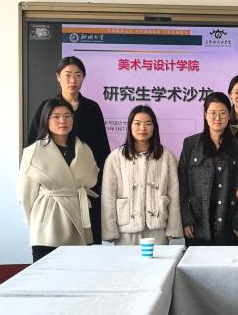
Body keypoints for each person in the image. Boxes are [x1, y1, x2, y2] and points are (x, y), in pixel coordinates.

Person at [26, 56, 110, 244]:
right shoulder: (47, 107)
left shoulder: (92, 108)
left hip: (85, 191)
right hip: (54, 193)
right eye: (68, 75)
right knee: (53, 246)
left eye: (78, 75)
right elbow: (32, 148)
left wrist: (99, 184)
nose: (73, 80)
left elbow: (102, 149)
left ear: (83, 77)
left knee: (87, 247)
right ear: (58, 76)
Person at [17, 98, 99, 262]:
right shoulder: (33, 151)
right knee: (46, 271)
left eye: (68, 116)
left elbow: (91, 180)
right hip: (47, 222)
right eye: (56, 116)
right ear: (46, 120)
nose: (63, 121)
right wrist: (35, 220)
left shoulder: (84, 149)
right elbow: (25, 194)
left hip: (78, 216)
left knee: (78, 270)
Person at [178, 92, 238, 246]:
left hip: (228, 222)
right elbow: (182, 185)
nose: (217, 118)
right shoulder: (191, 144)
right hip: (197, 223)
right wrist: (186, 219)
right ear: (205, 115)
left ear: (229, 115)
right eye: (212, 113)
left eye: (223, 113)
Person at [101, 105, 183, 245]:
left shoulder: (167, 156)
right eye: (137, 123)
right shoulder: (115, 157)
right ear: (129, 126)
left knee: (158, 260)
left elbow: (174, 194)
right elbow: (108, 197)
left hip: (157, 227)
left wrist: (173, 228)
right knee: (126, 260)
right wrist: (110, 230)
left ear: (154, 127)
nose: (142, 128)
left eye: (148, 123)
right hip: (126, 228)